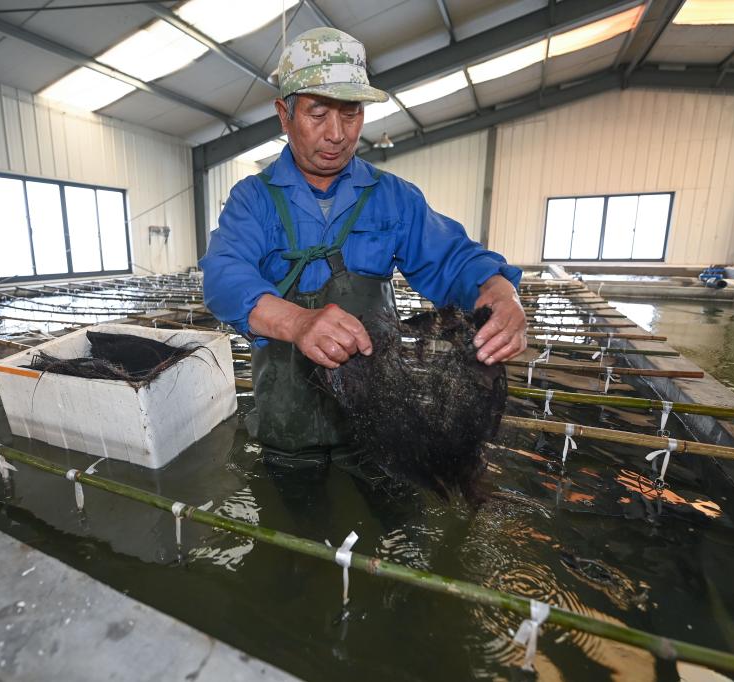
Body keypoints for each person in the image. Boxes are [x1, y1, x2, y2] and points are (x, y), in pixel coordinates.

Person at [200, 27, 526, 460]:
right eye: (318, 114)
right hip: (286, 421)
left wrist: (501, 294)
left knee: (388, 513)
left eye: (351, 113)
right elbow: (223, 276)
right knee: (294, 507)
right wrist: (297, 322)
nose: (337, 133)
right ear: (284, 114)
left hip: (379, 421)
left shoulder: (392, 197)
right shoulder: (254, 198)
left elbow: (454, 260)